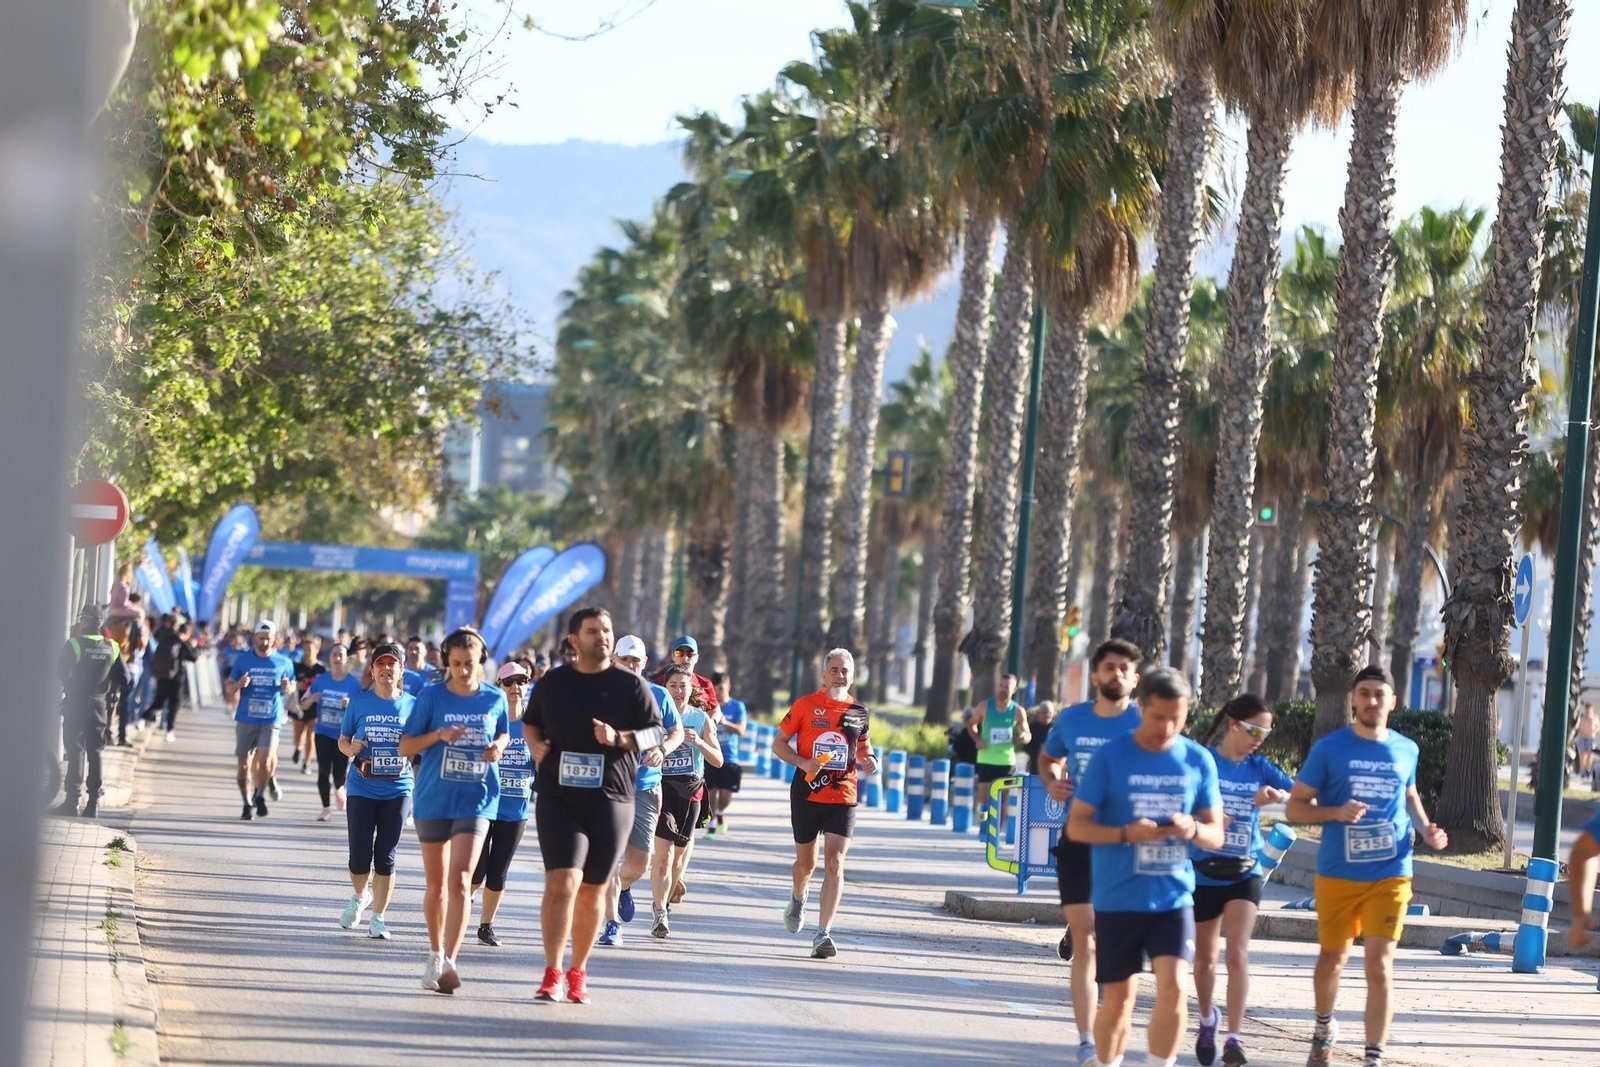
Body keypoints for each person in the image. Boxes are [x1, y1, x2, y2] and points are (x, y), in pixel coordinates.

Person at [1286, 664, 1448, 1067]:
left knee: (1380, 964)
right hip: (1338, 872)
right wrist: (1335, 811)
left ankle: (1373, 1056)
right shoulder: (1330, 748)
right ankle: (1324, 1027)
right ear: (1354, 700)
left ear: (1393, 701)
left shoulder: (1406, 748)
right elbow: (1294, 807)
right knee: (1331, 960)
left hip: (1391, 871)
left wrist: (1427, 829)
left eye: (1380, 693)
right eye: (1365, 693)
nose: (1372, 700)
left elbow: (1409, 793)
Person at [1067, 668, 1223, 1067]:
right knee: (1120, 1000)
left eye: (1178, 716)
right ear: (1141, 709)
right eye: (1158, 716)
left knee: (1175, 987)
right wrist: (1125, 834)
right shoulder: (1112, 756)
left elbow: (1216, 834)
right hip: (1118, 897)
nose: (1168, 726)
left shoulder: (1197, 759)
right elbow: (1078, 824)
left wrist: (1193, 829)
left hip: (1173, 896)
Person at [524, 608, 663, 1004]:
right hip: (559, 796)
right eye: (592, 631)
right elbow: (531, 722)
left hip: (612, 799)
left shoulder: (631, 686)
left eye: (607, 630)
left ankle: (578, 972)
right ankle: (552, 972)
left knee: (592, 890)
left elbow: (654, 734)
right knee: (562, 882)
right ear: (574, 639)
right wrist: (534, 744)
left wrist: (618, 738)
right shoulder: (554, 682)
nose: (601, 636)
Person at [1038, 637, 1143, 1064]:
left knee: (1111, 940)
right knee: (1089, 941)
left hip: (1127, 846)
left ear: (1135, 679)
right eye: (1109, 666)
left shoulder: (1145, 723)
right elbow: (1047, 759)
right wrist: (1052, 780)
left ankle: (1107, 1025)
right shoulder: (1073, 720)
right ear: (1096, 674)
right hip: (1079, 840)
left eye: (1125, 668)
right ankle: (1086, 1040)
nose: (1116, 673)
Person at [400, 627, 510, 994]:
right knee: (437, 884)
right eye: (457, 664)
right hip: (434, 797)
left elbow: (505, 732)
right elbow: (405, 746)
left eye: (471, 664)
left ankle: (450, 959)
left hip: (477, 797)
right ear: (447, 661)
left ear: (481, 662)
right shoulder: (431, 698)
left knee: (462, 879)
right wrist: (438, 736)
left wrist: (497, 746)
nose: (464, 671)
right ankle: (433, 951)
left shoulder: (494, 698)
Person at [1190, 695, 1293, 1066]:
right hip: (1203, 871)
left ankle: (1233, 1037)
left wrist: (1274, 798)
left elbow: (1296, 795)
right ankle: (1207, 1020)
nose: (1260, 738)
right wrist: (1209, 823)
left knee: (1236, 953)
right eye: (1254, 730)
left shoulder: (1259, 766)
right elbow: (1183, 807)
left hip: (1244, 870)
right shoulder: (1204, 762)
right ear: (1233, 724)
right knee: (1204, 959)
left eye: (1266, 732)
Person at [771, 648, 877, 960]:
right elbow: (779, 743)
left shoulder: (859, 711)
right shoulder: (805, 706)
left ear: (853, 675)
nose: (839, 675)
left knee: (836, 862)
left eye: (845, 670)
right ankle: (798, 896)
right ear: (824, 674)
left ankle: (823, 933)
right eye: (834, 669)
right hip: (806, 794)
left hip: (843, 795)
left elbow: (864, 746)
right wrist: (802, 762)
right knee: (807, 864)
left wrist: (869, 760)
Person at [599, 635, 683, 948]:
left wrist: (663, 749)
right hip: (608, 786)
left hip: (646, 786)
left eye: (637, 661)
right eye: (626, 660)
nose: (632, 666)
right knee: (608, 858)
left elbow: (674, 732)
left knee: (639, 864)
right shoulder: (602, 693)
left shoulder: (659, 696)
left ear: (645, 663)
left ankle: (621, 887)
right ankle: (611, 924)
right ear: (614, 660)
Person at [337, 642, 415, 940]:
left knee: (386, 855)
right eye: (380, 664)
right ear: (372, 670)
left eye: (391, 664)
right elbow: (343, 742)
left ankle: (379, 918)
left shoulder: (413, 704)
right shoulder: (359, 702)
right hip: (361, 787)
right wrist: (351, 748)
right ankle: (360, 896)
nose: (385, 669)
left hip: (398, 788)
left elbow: (420, 744)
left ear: (400, 670)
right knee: (359, 855)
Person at [650, 664, 721, 938]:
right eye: (673, 686)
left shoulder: (700, 718)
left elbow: (718, 760)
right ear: (665, 690)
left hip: (692, 791)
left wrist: (698, 743)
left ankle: (665, 900)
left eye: (684, 685)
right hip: (663, 789)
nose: (679, 691)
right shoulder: (656, 718)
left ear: (691, 689)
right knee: (664, 855)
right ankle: (660, 913)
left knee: (679, 857)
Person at [472, 658, 536, 947]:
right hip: (483, 807)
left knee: (498, 872)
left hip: (515, 810)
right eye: (508, 682)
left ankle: (486, 926)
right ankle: (462, 903)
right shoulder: (487, 719)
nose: (515, 687)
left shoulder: (534, 725)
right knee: (476, 870)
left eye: (521, 681)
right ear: (498, 686)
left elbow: (542, 763)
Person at [55, 605, 129, 818]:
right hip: (99, 705)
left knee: (76, 749)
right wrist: (110, 689)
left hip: (77, 702)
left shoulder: (74, 645)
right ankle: (93, 804)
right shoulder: (112, 647)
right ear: (101, 622)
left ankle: (72, 802)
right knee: (95, 752)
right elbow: (125, 678)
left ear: (84, 621)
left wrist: (72, 687)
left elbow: (61, 671)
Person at [224, 621, 297, 821]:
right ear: (255, 637)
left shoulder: (284, 662)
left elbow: (292, 687)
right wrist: (238, 684)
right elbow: (229, 687)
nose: (265, 642)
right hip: (246, 718)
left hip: (271, 718)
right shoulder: (243, 660)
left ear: (274, 640)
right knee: (244, 766)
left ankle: (260, 794)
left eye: (268, 638)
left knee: (265, 760)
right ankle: (247, 802)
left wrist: (287, 687)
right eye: (261, 638)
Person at [305, 643, 362, 821]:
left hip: (343, 735)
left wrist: (350, 704)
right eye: (334, 655)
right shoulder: (321, 680)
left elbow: (361, 709)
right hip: (322, 731)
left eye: (340, 655)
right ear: (329, 658)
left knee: (339, 771)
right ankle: (325, 808)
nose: (337, 658)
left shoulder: (353, 683)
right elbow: (303, 702)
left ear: (346, 659)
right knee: (323, 770)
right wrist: (312, 698)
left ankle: (339, 788)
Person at [968, 672, 1031, 816]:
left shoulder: (1018, 711)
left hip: (1006, 762)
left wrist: (1023, 736)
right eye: (1001, 686)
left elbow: (1028, 734)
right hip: (985, 759)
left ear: (1014, 690)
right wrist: (978, 739)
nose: (1003, 689)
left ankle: (996, 836)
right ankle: (984, 833)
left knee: (1003, 802)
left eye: (1007, 687)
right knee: (985, 801)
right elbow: (971, 724)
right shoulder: (984, 706)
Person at [704, 670, 746, 836]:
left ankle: (720, 813)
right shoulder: (707, 705)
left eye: (721, 688)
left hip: (729, 758)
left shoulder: (737, 707)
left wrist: (724, 721)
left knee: (725, 795)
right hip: (711, 756)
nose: (718, 693)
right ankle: (712, 823)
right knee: (711, 791)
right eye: (714, 689)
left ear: (728, 687)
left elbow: (741, 730)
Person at [149, 620, 197, 743]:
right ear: (187, 633)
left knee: (160, 700)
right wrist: (193, 646)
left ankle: (151, 721)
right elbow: (193, 657)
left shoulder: (167, 639)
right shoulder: (183, 643)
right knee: (174, 705)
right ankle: (169, 730)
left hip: (163, 675)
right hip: (177, 678)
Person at [650, 635, 719, 715]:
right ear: (673, 656)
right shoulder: (657, 684)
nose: (685, 658)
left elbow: (715, 711)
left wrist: (712, 722)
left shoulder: (706, 684)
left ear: (697, 658)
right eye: (680, 653)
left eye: (690, 654)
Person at [290, 632, 326, 773]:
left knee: (311, 736)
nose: (307, 652)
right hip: (298, 706)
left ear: (316, 650)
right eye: (305, 650)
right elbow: (292, 683)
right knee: (299, 736)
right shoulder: (297, 667)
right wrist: (297, 685)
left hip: (315, 707)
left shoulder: (321, 669)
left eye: (310, 649)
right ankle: (298, 748)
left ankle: (307, 763)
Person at [1025, 700, 1057, 775]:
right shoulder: (1032, 728)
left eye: (1049, 713)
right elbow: (1027, 747)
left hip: (1051, 766)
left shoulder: (1056, 729)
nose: (1046, 715)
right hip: (1035, 765)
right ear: (1038, 713)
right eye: (1044, 712)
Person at [1576, 703, 1598, 781]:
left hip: (1591, 738)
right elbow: (1578, 728)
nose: (1588, 711)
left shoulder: (1595, 717)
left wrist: (1594, 731)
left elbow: (1598, 727)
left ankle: (1588, 770)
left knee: (1590, 755)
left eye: (1589, 709)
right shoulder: (1582, 718)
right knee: (1583, 756)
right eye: (1587, 709)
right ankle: (1583, 772)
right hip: (1583, 738)